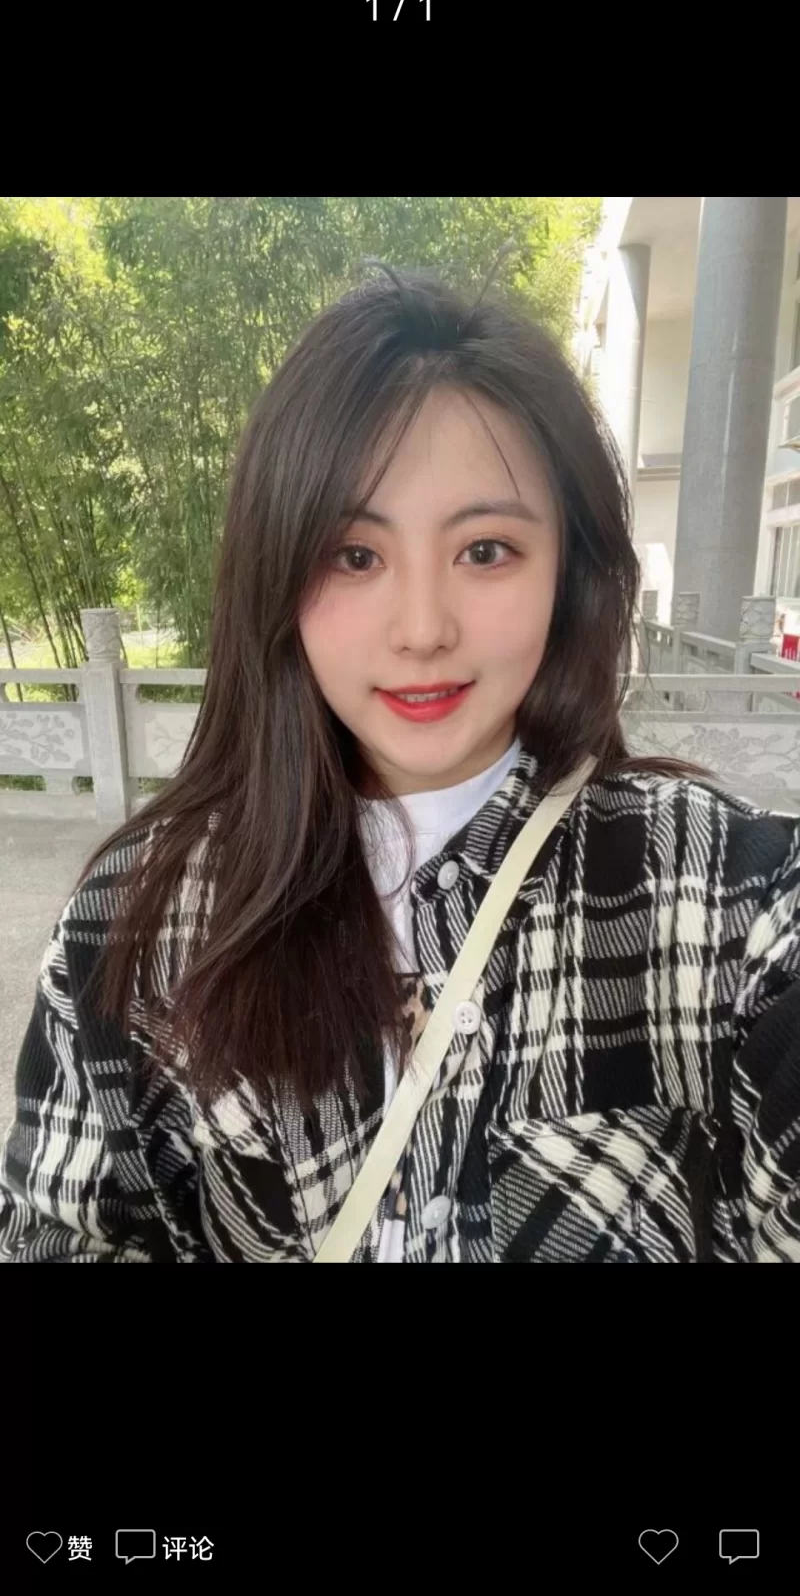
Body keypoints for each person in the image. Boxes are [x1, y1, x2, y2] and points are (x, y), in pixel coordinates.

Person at [1, 258, 799, 1263]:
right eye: (355, 555)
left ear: (571, 568)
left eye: (484, 550)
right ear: (276, 574)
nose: (422, 629)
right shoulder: (136, 922)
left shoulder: (729, 903)